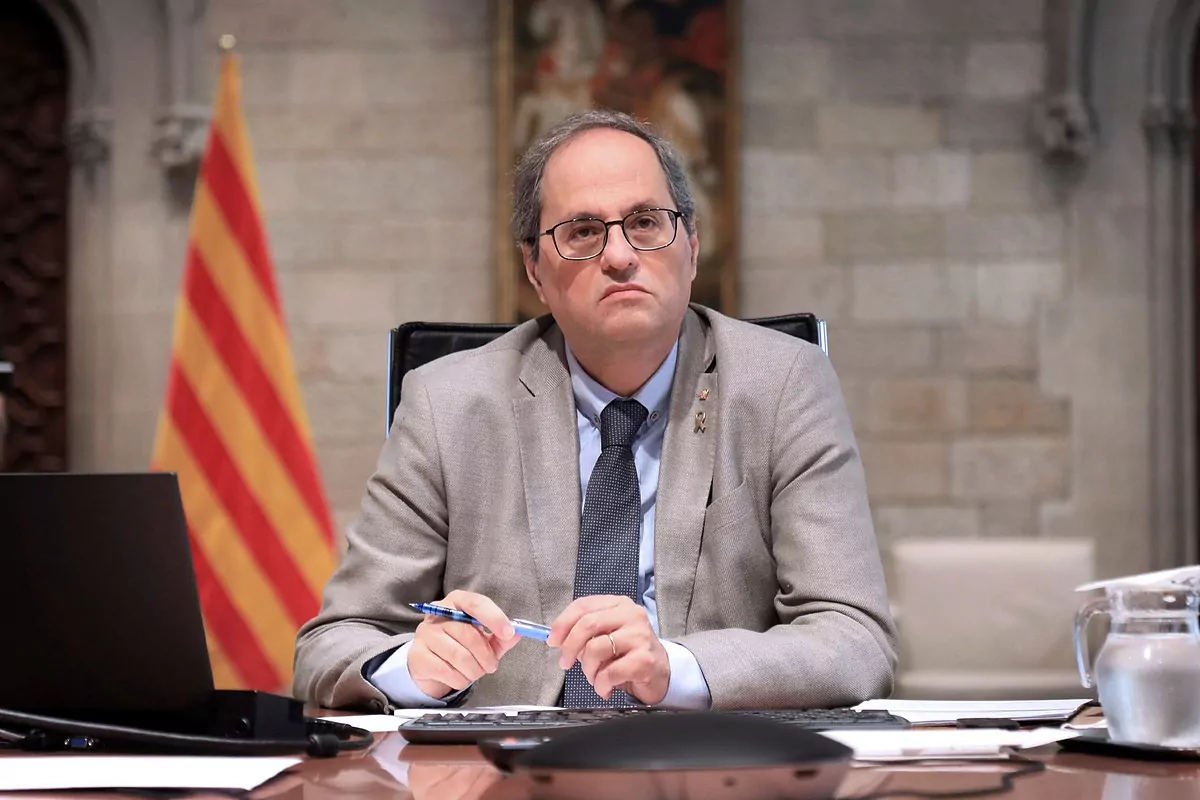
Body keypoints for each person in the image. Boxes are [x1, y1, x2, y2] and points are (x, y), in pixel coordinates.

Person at [293, 108, 897, 711]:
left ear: (691, 247)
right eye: (582, 231)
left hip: (709, 753)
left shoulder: (783, 384)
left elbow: (854, 639)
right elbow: (333, 644)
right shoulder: (446, 405)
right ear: (534, 269)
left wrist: (677, 670)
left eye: (645, 222)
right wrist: (414, 668)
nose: (620, 255)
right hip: (508, 756)